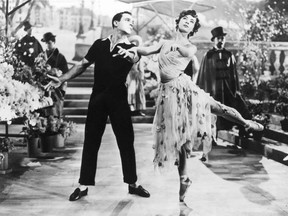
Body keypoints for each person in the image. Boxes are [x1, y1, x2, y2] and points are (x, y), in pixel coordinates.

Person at [126, 10, 263, 203]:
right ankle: (184, 178)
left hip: (183, 87)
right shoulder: (164, 43)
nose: (188, 22)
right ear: (178, 22)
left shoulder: (189, 45)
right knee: (178, 136)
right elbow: (145, 50)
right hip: (167, 94)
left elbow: (187, 53)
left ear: (193, 28)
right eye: (185, 19)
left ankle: (245, 122)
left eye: (192, 22)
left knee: (217, 107)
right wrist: (130, 50)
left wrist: (176, 45)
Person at [45, 11, 150, 201]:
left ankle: (132, 184)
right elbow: (82, 65)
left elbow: (134, 57)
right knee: (91, 142)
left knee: (126, 142)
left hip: (119, 100)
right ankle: (83, 185)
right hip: (98, 99)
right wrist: (61, 79)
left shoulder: (132, 47)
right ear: (115, 22)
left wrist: (131, 54)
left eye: (132, 21)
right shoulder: (99, 45)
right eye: (127, 20)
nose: (131, 23)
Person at [196, 26, 252, 146]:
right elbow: (203, 75)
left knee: (239, 110)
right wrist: (202, 92)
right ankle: (212, 138)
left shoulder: (229, 55)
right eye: (218, 38)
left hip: (228, 91)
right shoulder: (208, 56)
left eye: (222, 38)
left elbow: (234, 74)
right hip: (214, 91)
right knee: (213, 114)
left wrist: (236, 89)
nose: (220, 40)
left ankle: (243, 133)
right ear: (214, 40)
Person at [39, 32, 68, 118]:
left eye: (49, 43)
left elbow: (65, 74)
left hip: (56, 88)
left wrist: (55, 73)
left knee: (55, 113)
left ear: (54, 42)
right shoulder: (41, 56)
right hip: (43, 87)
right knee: (43, 113)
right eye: (46, 43)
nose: (47, 45)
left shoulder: (60, 57)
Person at [127, 35, 146, 116]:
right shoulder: (126, 55)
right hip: (129, 76)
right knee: (130, 92)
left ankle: (138, 109)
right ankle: (129, 108)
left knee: (138, 92)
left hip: (137, 76)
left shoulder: (139, 55)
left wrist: (142, 76)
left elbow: (141, 67)